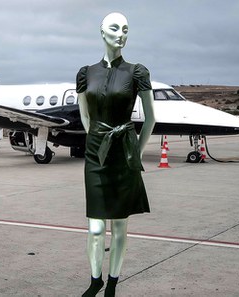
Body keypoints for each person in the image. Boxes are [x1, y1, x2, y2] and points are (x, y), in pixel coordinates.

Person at [76, 12, 156, 297]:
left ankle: (112, 282)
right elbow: (84, 115)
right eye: (114, 28)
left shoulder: (137, 72)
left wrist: (136, 151)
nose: (121, 34)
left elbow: (150, 119)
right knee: (96, 229)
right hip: (95, 154)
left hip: (124, 152)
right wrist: (95, 139)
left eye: (125, 29)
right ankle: (95, 280)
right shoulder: (86, 73)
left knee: (119, 226)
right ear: (101, 32)